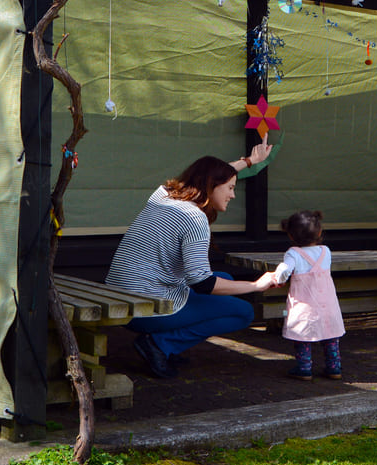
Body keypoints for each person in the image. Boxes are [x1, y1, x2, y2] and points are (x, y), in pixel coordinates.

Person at [105, 142, 277, 379]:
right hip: (143, 308)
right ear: (212, 186)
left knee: (225, 279)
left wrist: (248, 162)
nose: (232, 194)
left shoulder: (163, 194)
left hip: (120, 294)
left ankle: (163, 342)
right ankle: (159, 344)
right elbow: (202, 283)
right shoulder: (194, 218)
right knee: (243, 312)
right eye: (229, 187)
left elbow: (205, 176)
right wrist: (257, 285)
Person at [272, 209, 345, 380]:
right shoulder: (326, 251)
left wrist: (278, 278)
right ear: (319, 232)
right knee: (330, 336)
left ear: (290, 235)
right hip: (328, 304)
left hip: (305, 304)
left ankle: (304, 368)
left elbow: (284, 270)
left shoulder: (293, 253)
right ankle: (334, 367)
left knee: (303, 336)